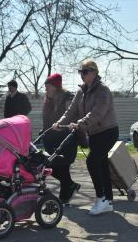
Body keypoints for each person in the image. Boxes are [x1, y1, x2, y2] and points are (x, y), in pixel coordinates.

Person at [53, 60, 118, 215]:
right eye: (80, 72)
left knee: (92, 161)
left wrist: (80, 124)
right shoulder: (81, 92)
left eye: (85, 71)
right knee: (101, 164)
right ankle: (108, 201)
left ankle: (101, 198)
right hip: (94, 132)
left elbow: (97, 113)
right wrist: (59, 122)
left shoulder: (103, 91)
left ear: (94, 72)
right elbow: (71, 110)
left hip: (108, 131)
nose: (82, 75)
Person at [41, 73, 80, 206]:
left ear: (56, 87)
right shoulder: (47, 100)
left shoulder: (68, 97)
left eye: (48, 87)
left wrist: (63, 126)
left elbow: (72, 115)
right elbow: (46, 119)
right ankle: (70, 187)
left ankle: (64, 199)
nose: (46, 90)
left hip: (65, 138)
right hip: (50, 139)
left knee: (62, 167)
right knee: (51, 166)